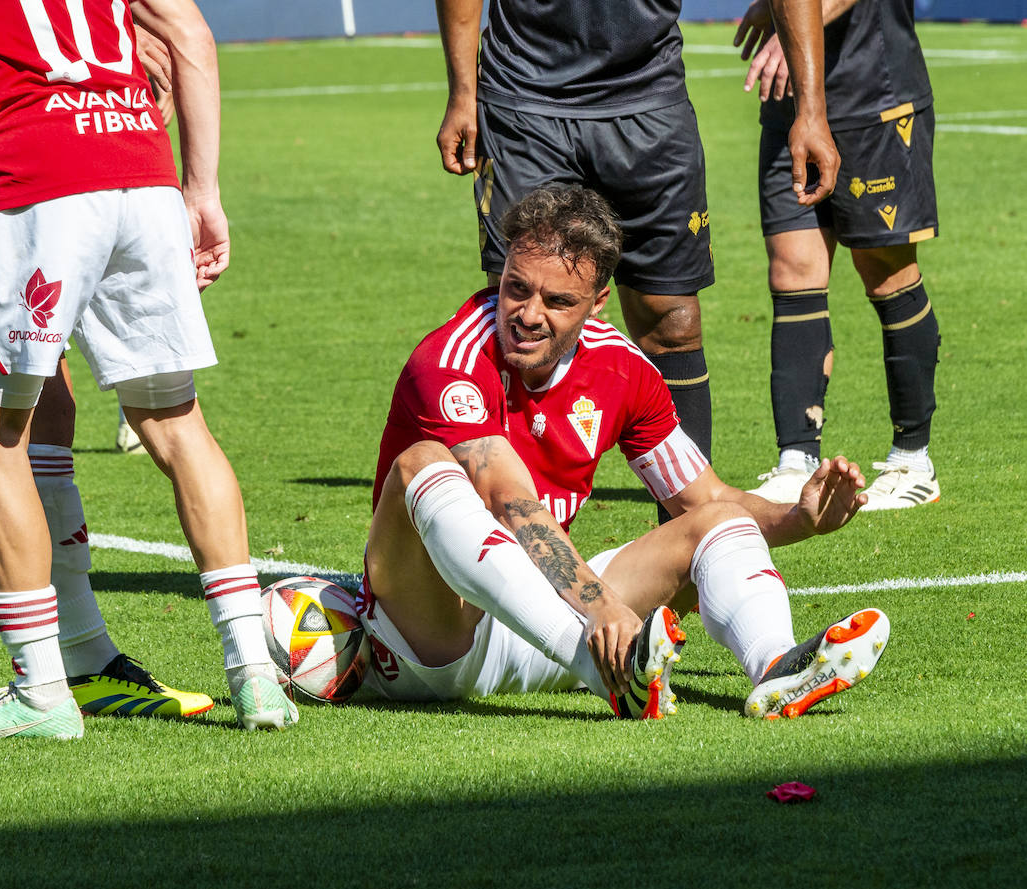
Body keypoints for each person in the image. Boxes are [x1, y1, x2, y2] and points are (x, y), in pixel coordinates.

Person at [0, 0, 295, 738]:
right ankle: (256, 676)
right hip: (139, 162)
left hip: (32, 180)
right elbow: (190, 36)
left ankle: (43, 689)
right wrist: (203, 191)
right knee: (176, 424)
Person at [357, 184, 889, 719]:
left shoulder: (623, 369)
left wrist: (798, 517)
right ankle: (611, 674)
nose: (528, 314)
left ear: (598, 302)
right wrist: (603, 607)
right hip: (425, 643)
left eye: (559, 301)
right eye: (517, 288)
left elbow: (703, 497)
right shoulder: (451, 358)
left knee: (719, 519)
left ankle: (777, 666)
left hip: (539, 631)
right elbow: (506, 499)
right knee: (421, 464)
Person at [434, 0, 841, 517]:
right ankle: (510, 554)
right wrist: (463, 93)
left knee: (673, 322)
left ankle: (693, 550)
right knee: (521, 322)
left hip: (650, 106)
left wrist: (811, 109)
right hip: (524, 102)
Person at [735, 0, 941, 509]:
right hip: (791, 99)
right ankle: (795, 460)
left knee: (886, 272)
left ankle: (913, 459)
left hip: (875, 94)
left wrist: (797, 31)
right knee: (791, 269)